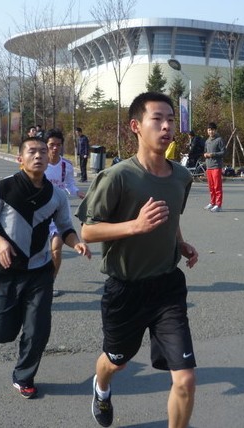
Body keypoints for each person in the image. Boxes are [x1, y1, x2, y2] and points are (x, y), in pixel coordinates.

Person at [76, 92, 198, 428]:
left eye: (170, 119)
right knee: (117, 362)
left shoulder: (181, 177)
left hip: (167, 287)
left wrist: (181, 243)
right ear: (136, 126)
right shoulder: (117, 177)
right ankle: (101, 387)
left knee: (185, 379)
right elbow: (88, 232)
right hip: (125, 289)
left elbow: (171, 216)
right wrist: (135, 226)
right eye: (157, 119)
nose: (167, 126)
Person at [0, 136, 91, 399]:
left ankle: (24, 376)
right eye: (32, 151)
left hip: (40, 270)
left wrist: (76, 243)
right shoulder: (3, 188)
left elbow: (65, 227)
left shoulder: (56, 195)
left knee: (38, 329)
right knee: (1, 331)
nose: (38, 155)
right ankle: (11, 319)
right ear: (20, 159)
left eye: (42, 151)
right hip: (6, 269)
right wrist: (0, 241)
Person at [44, 128, 86, 297]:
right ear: (45, 145)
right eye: (51, 145)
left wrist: (77, 192)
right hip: (39, 214)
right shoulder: (39, 163)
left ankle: (49, 283)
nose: (55, 148)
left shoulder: (66, 165)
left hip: (59, 213)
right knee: (37, 251)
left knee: (56, 248)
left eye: (58, 145)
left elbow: (69, 184)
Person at [203, 122, 225, 212]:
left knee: (217, 187)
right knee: (211, 187)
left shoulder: (219, 140)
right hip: (209, 167)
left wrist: (212, 154)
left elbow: (223, 152)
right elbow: (205, 151)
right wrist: (205, 154)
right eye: (209, 130)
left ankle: (218, 205)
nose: (210, 131)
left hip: (216, 166)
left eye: (212, 130)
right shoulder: (207, 141)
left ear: (215, 130)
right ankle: (212, 203)